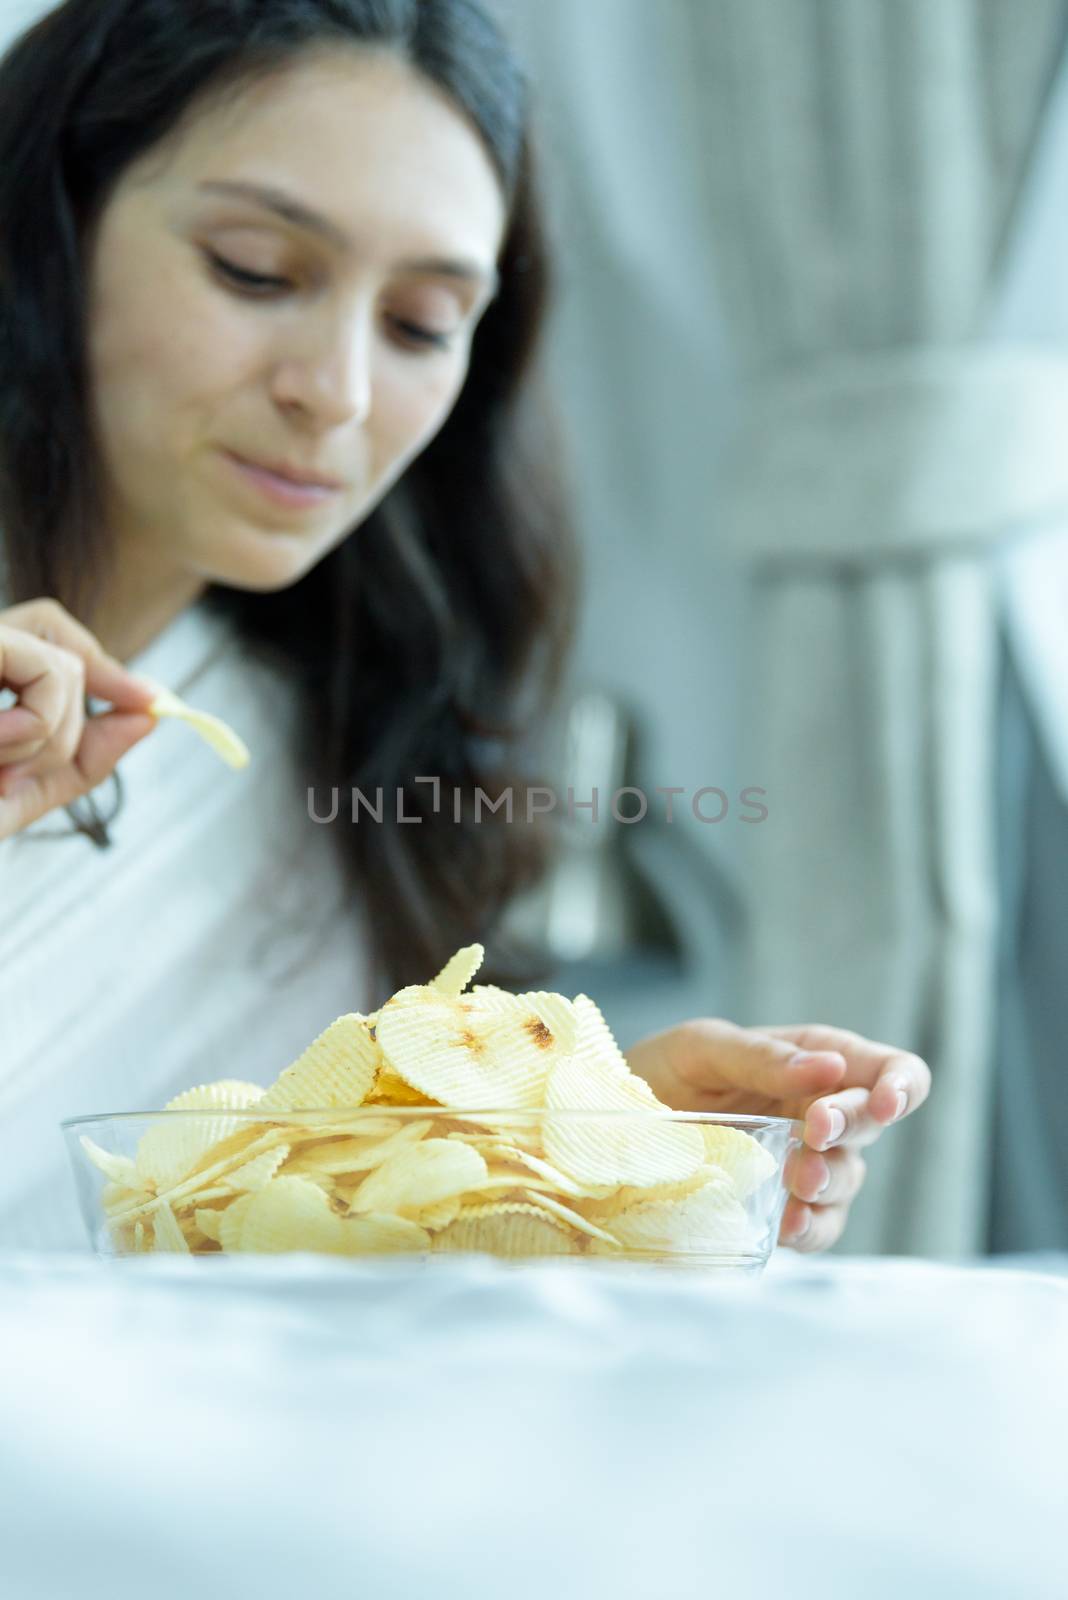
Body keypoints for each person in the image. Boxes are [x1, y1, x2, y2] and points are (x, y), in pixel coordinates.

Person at [0, 0, 929, 1252]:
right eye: (255, 270)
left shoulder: (339, 762)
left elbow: (263, 1237)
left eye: (421, 326)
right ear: (48, 229)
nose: (334, 393)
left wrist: (560, 1153)